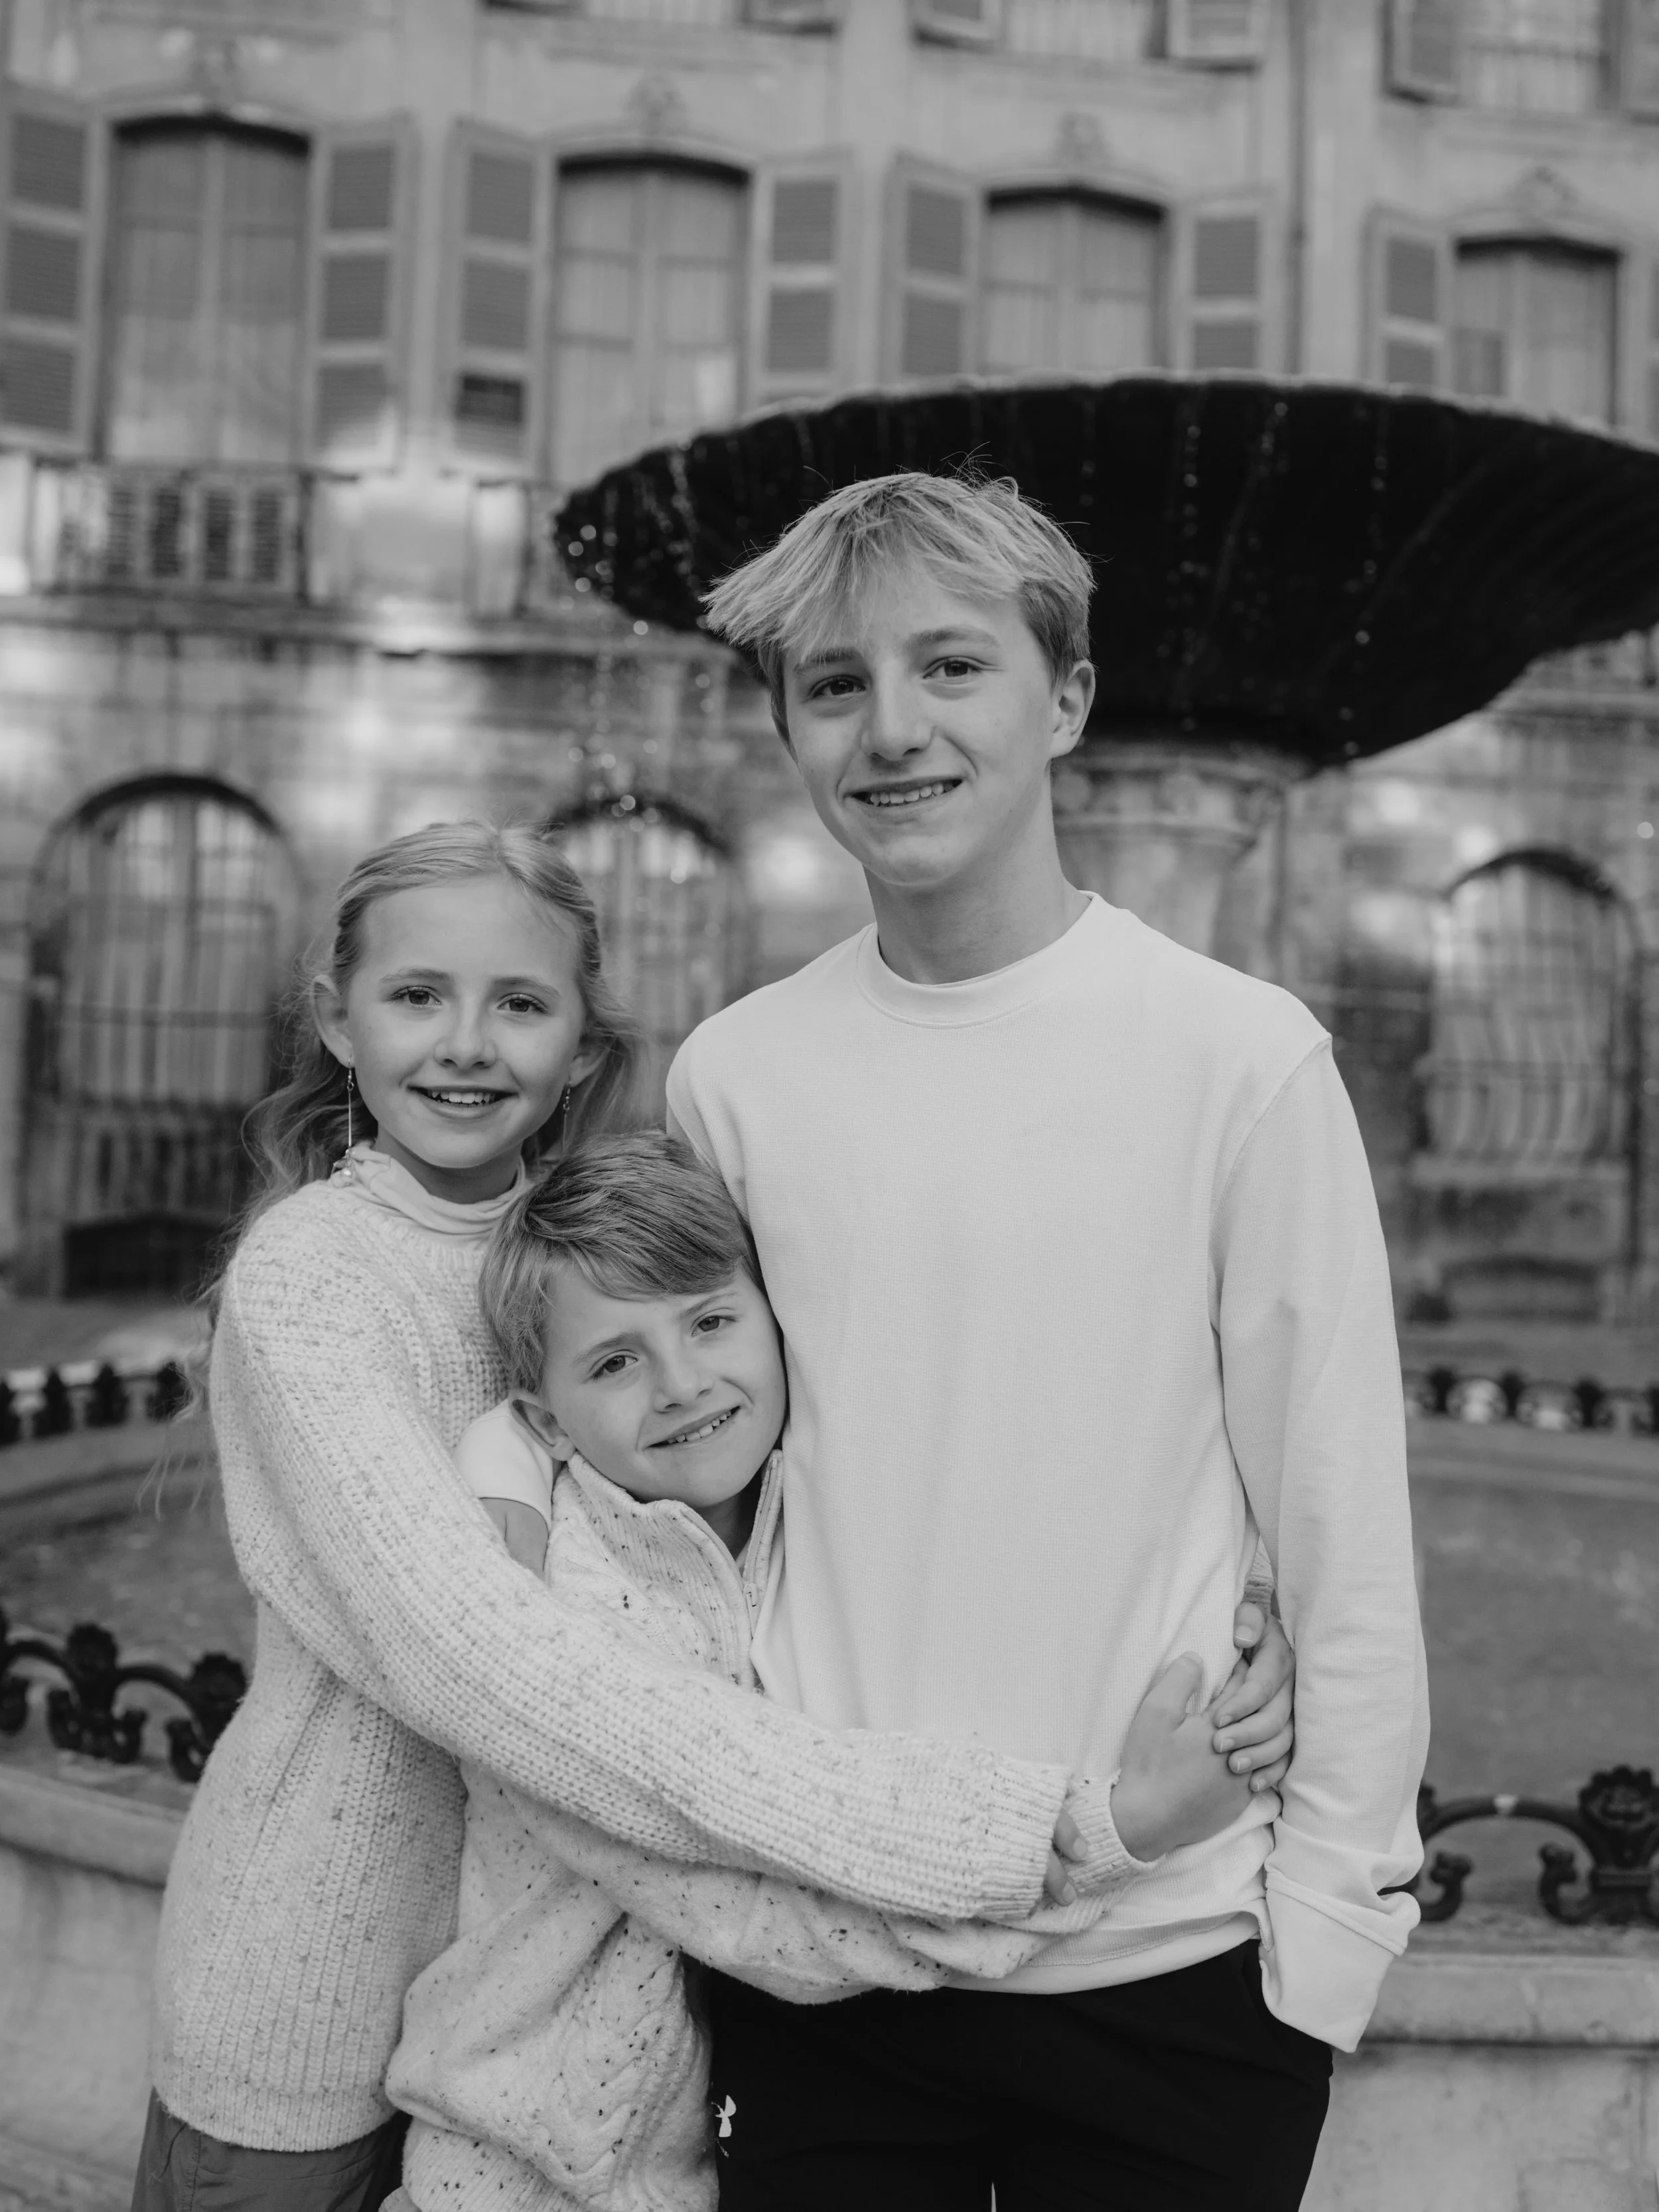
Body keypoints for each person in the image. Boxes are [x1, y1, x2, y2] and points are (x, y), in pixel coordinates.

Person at [131, 820, 1188, 2212]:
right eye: (414, 996)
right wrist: (1017, 1831)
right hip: (319, 1979)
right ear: (334, 1019)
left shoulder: (587, 1274)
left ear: (581, 1044)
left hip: (544, 2011)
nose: (466, 1042)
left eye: (518, 1002)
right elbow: (488, 1665)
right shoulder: (311, 1278)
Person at [667, 471, 1432, 2210]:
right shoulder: (733, 1078)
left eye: (952, 667)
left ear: (1064, 699)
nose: (893, 729)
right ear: (788, 725)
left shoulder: (1237, 1058)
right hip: (833, 1961)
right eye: (835, 685)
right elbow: (688, 1501)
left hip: (1166, 1970)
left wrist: (1319, 1944)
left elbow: (1338, 1522)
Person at [383, 1132, 1293, 2212]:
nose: (681, 1385)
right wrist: (1113, 1833)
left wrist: (1254, 1593)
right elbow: (766, 1927)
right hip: (513, 2172)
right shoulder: (559, 1615)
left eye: (711, 1322)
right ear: (547, 1420)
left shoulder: (795, 1527)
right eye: (615, 1361)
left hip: (679, 2163)